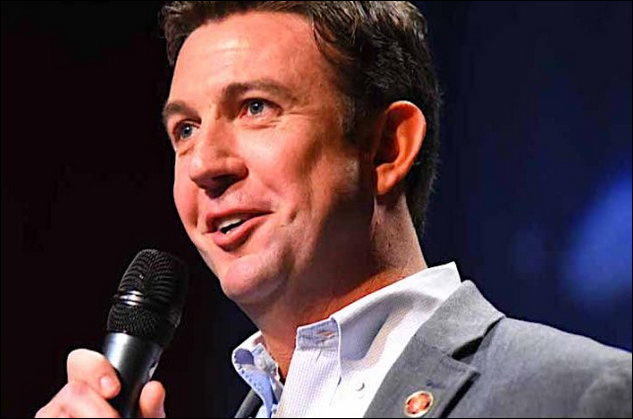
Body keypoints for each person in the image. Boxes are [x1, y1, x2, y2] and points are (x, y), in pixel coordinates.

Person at [36, 2, 632, 418]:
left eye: (256, 107)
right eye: (185, 129)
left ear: (387, 147)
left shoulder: (576, 397)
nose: (203, 165)